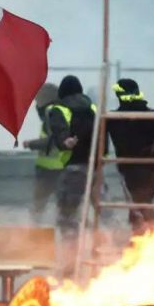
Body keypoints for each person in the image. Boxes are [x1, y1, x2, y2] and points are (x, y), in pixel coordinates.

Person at [106, 78, 154, 234]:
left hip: (133, 169)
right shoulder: (153, 116)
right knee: (140, 205)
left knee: (141, 205)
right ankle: (143, 238)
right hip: (148, 169)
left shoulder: (113, 119)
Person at [47, 75, 96, 236]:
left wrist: (64, 141)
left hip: (74, 166)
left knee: (67, 213)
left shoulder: (59, 109)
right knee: (101, 213)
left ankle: (71, 253)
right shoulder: (93, 107)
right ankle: (102, 249)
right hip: (95, 167)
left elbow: (59, 130)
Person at [23, 82, 65, 221]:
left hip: (50, 172)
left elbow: (53, 141)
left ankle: (34, 237)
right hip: (60, 169)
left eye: (38, 101)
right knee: (65, 209)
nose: (36, 106)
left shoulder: (52, 113)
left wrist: (31, 144)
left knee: (38, 209)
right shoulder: (61, 112)